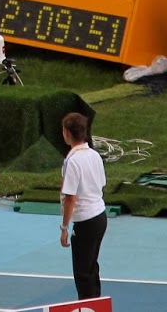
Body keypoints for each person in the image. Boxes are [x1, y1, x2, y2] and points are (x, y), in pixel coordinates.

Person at [59, 112, 107, 300]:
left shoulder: (72, 161)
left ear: (66, 133)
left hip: (85, 222)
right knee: (91, 268)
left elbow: (70, 198)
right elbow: (101, 183)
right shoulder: (94, 155)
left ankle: (88, 306)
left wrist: (64, 227)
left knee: (83, 274)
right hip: (100, 217)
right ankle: (97, 305)